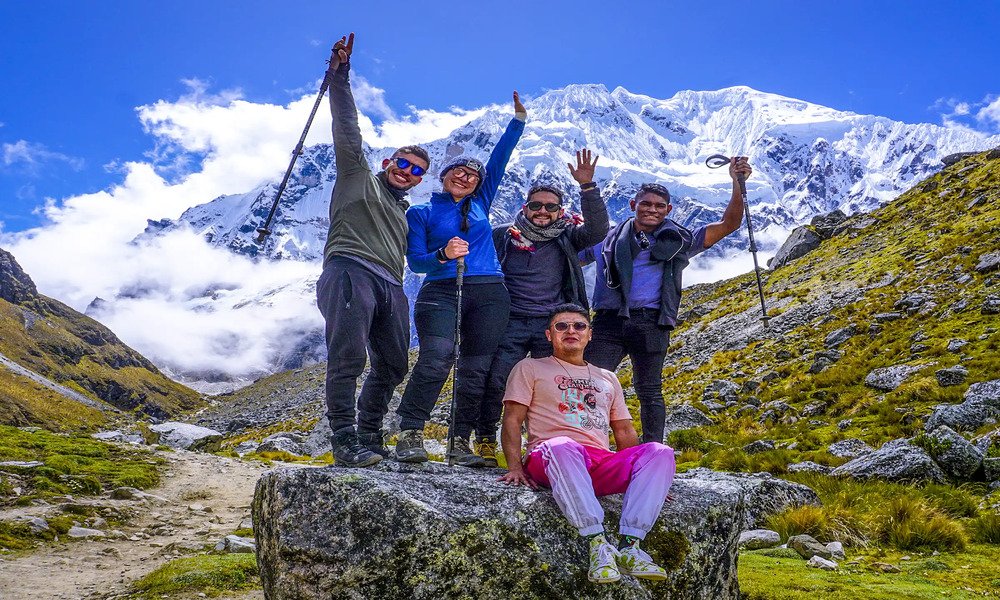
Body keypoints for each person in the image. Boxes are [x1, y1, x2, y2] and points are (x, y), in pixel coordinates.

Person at [394, 92, 527, 466]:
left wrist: (517, 122)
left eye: (473, 175)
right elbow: (416, 263)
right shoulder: (420, 212)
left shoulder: (480, 202)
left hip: (489, 292)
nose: (466, 177)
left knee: (476, 368)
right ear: (444, 175)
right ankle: (410, 432)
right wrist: (443, 254)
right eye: (459, 171)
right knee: (436, 358)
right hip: (440, 290)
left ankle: (459, 441)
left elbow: (499, 159)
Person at [498, 303, 676, 584]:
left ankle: (630, 548)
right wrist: (514, 467)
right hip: (551, 456)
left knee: (660, 452)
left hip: (598, 461)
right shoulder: (529, 367)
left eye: (579, 326)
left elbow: (624, 429)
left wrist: (647, 481)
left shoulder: (608, 378)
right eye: (562, 326)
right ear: (549, 335)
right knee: (561, 445)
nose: (571, 331)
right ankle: (597, 544)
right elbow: (511, 419)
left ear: (589, 335)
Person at [317, 33, 431, 467]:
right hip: (349, 269)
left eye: (416, 170)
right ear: (388, 163)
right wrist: (340, 74)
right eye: (402, 163)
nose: (407, 171)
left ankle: (369, 432)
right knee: (347, 356)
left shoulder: (404, 212)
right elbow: (346, 126)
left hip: (391, 284)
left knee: (395, 363)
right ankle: (344, 439)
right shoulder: (357, 175)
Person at [581, 157, 753, 444]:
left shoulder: (679, 241)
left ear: (668, 210)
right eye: (646, 204)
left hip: (651, 321)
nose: (652, 209)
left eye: (659, 206)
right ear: (633, 205)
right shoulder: (605, 239)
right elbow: (570, 259)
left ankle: (652, 451)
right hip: (608, 321)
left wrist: (737, 182)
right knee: (591, 384)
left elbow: (729, 224)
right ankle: (589, 445)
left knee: (649, 391)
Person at [474, 149, 610, 467]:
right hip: (508, 320)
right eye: (536, 205)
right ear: (525, 208)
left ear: (560, 211)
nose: (543, 211)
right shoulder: (504, 236)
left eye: (550, 207)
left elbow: (598, 231)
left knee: (551, 386)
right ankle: (484, 438)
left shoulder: (567, 237)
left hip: (552, 326)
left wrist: (588, 187)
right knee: (498, 380)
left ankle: (544, 444)